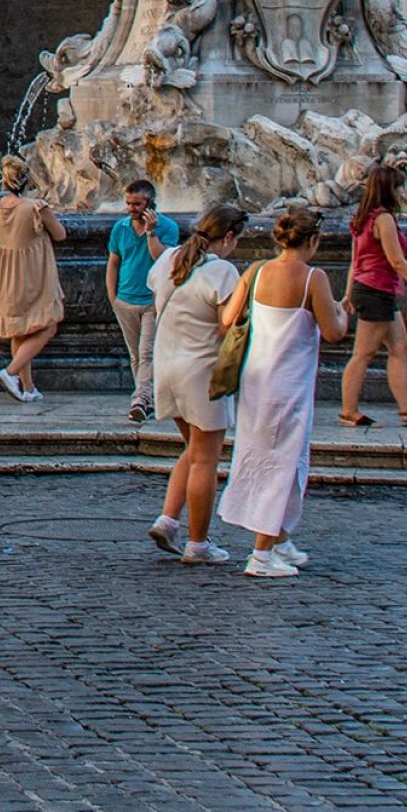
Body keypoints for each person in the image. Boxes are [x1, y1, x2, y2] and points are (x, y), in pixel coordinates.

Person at [217, 204, 350, 578]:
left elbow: (227, 319)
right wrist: (342, 312)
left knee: (276, 458)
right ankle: (260, 556)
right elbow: (333, 331)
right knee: (282, 464)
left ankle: (280, 539)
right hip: (289, 384)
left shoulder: (256, 271)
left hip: (256, 380)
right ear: (312, 241)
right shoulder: (314, 278)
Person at [145, 204, 246, 565]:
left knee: (192, 449)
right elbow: (226, 325)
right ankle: (198, 543)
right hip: (201, 371)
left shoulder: (171, 258)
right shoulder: (222, 271)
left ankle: (168, 519)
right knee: (206, 460)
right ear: (229, 237)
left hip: (167, 367)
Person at [337, 159, 407, 428]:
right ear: (390, 190)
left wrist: (348, 293)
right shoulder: (383, 219)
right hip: (376, 289)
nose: (403, 192)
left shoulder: (363, 217)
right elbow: (397, 261)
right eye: (399, 188)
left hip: (374, 289)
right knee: (363, 353)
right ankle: (348, 411)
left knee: (401, 347)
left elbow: (356, 261)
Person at [0, 158, 67, 402]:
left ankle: (27, 387)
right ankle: (11, 371)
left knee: (20, 330)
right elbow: (60, 235)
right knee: (48, 324)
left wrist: (4, 239)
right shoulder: (36, 206)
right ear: (27, 180)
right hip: (34, 272)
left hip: (7, 270)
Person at [105, 178, 179, 423]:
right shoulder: (120, 228)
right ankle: (147, 399)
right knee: (135, 354)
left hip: (152, 299)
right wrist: (112, 296)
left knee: (146, 352)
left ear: (150, 203)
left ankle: (139, 400)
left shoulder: (168, 227)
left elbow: (162, 259)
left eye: (136, 204)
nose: (130, 208)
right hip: (124, 300)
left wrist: (150, 232)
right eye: (128, 203)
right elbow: (114, 262)